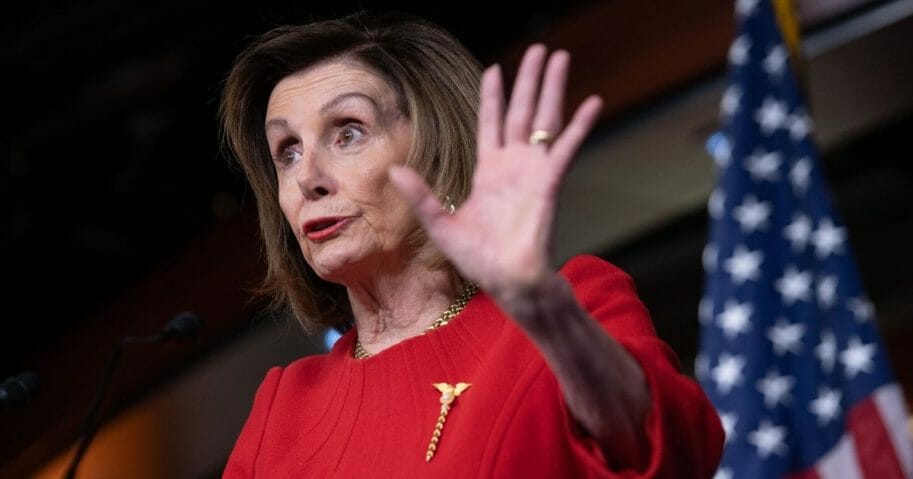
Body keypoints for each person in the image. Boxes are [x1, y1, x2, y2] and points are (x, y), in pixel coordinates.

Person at [219, 11, 723, 478]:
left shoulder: (570, 310)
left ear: (434, 151)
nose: (307, 177)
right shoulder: (284, 406)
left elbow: (674, 452)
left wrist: (541, 307)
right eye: (286, 151)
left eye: (348, 132)